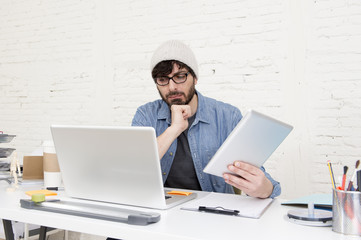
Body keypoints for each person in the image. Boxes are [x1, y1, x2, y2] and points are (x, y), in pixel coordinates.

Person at [131, 40, 281, 199]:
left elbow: (259, 175)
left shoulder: (227, 116)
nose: (172, 87)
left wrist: (264, 189)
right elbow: (132, 168)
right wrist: (173, 130)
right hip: (161, 209)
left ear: (195, 78)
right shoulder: (146, 114)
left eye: (180, 76)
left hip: (213, 212)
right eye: (163, 80)